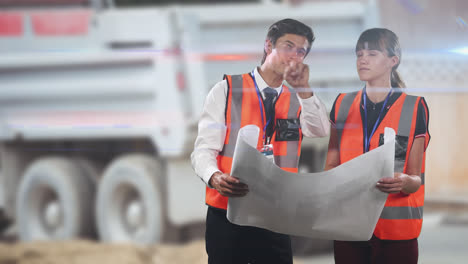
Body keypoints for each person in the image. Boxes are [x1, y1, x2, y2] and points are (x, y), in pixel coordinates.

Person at [191, 18, 330, 264]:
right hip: (228, 215)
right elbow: (203, 151)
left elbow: (320, 129)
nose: (294, 56)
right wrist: (215, 177)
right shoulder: (226, 90)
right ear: (268, 45)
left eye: (301, 51)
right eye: (288, 46)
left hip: (275, 216)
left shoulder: (299, 98)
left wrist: (304, 89)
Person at [325, 28, 430, 264]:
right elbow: (330, 164)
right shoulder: (342, 104)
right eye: (359, 53)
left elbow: (416, 178)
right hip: (348, 225)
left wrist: (405, 182)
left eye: (371, 53)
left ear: (393, 60)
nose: (362, 59)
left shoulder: (414, 108)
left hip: (396, 231)